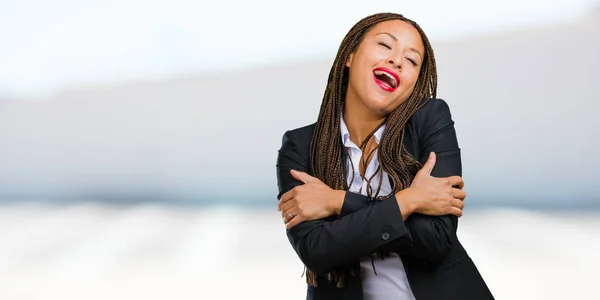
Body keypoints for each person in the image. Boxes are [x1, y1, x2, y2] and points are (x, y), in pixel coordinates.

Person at [275, 12, 495, 300]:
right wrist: (410, 200)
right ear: (349, 56)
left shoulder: (430, 119)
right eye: (385, 45)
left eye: (412, 60)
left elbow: (437, 238)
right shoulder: (299, 145)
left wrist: (337, 201)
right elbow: (318, 250)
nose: (397, 60)